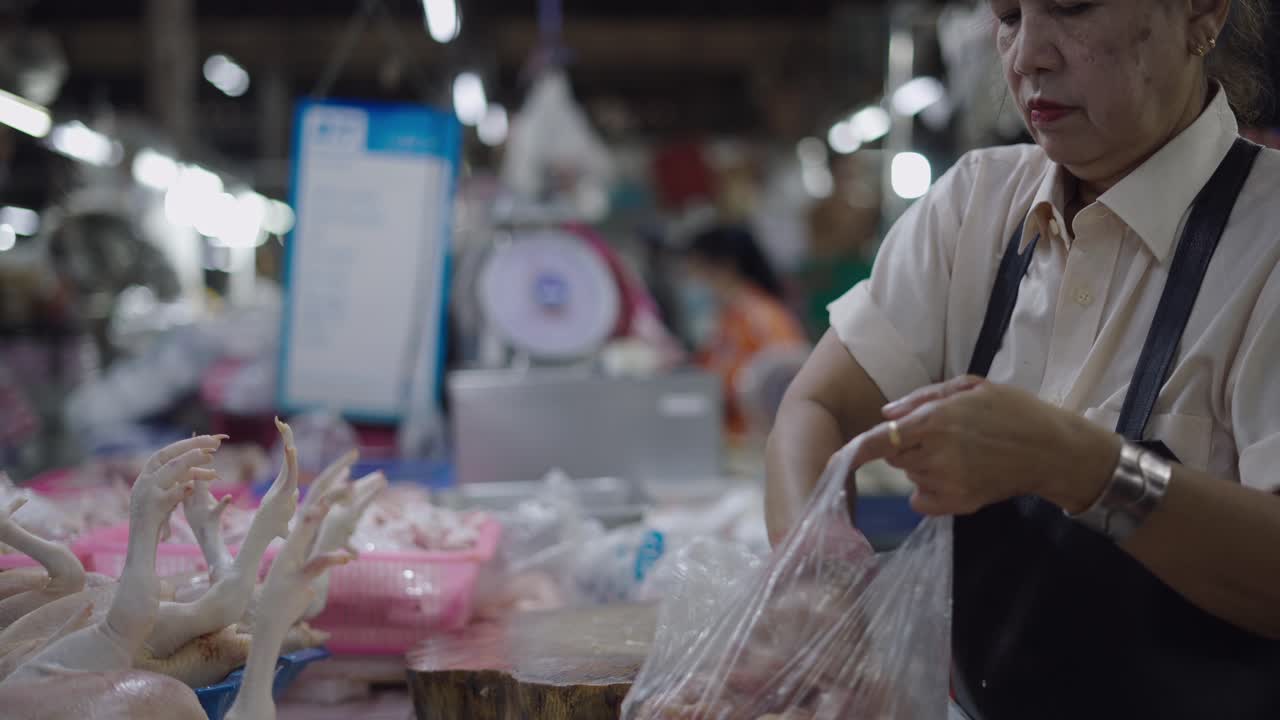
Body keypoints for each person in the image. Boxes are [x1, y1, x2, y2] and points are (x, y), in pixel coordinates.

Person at [765, 1, 1280, 718]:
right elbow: (815, 407)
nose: (1028, 54)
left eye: (1071, 8)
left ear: (1200, 14)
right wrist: (813, 581)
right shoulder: (975, 207)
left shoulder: (1268, 244)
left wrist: (1081, 466)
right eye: (1008, 16)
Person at [679, 224, 807, 438]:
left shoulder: (761, 318)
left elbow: (787, 388)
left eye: (694, 271)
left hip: (756, 447)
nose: (691, 282)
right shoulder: (729, 318)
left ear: (724, 267)